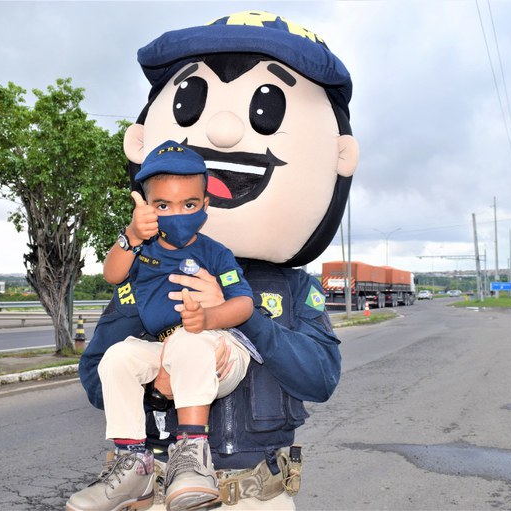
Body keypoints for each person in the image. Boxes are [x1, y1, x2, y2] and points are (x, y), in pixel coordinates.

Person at [73, 10, 360, 510]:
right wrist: (161, 374)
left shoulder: (291, 286)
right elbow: (97, 377)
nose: (226, 131)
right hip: (162, 497)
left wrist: (245, 324)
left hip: (259, 497)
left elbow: (322, 379)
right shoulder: (146, 267)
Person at [67, 141, 255, 511]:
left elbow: (244, 304)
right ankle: (133, 465)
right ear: (146, 207)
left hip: (217, 346)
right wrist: (132, 237)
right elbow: (112, 273)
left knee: (188, 341)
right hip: (166, 348)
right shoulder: (143, 248)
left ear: (205, 205)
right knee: (118, 357)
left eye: (189, 204)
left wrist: (208, 318)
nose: (177, 213)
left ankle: (193, 456)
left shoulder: (215, 253)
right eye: (163, 206)